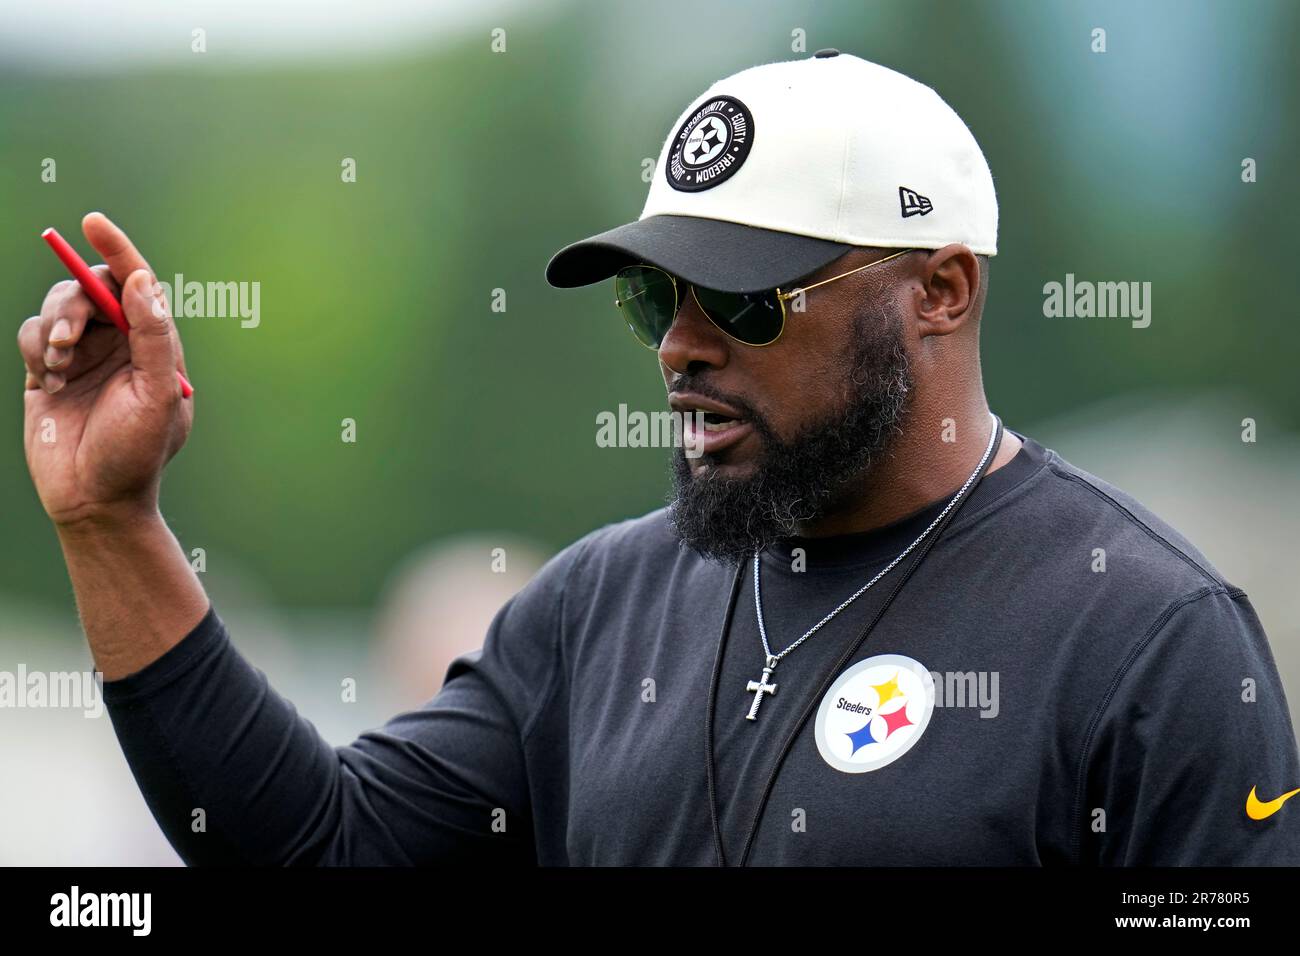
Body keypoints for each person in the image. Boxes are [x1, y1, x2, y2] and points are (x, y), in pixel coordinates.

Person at [18, 52, 1300, 865]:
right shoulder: (592, 610)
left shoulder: (1147, 638)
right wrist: (110, 521)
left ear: (941, 292)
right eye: (654, 300)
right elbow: (317, 850)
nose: (680, 347)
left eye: (742, 300)